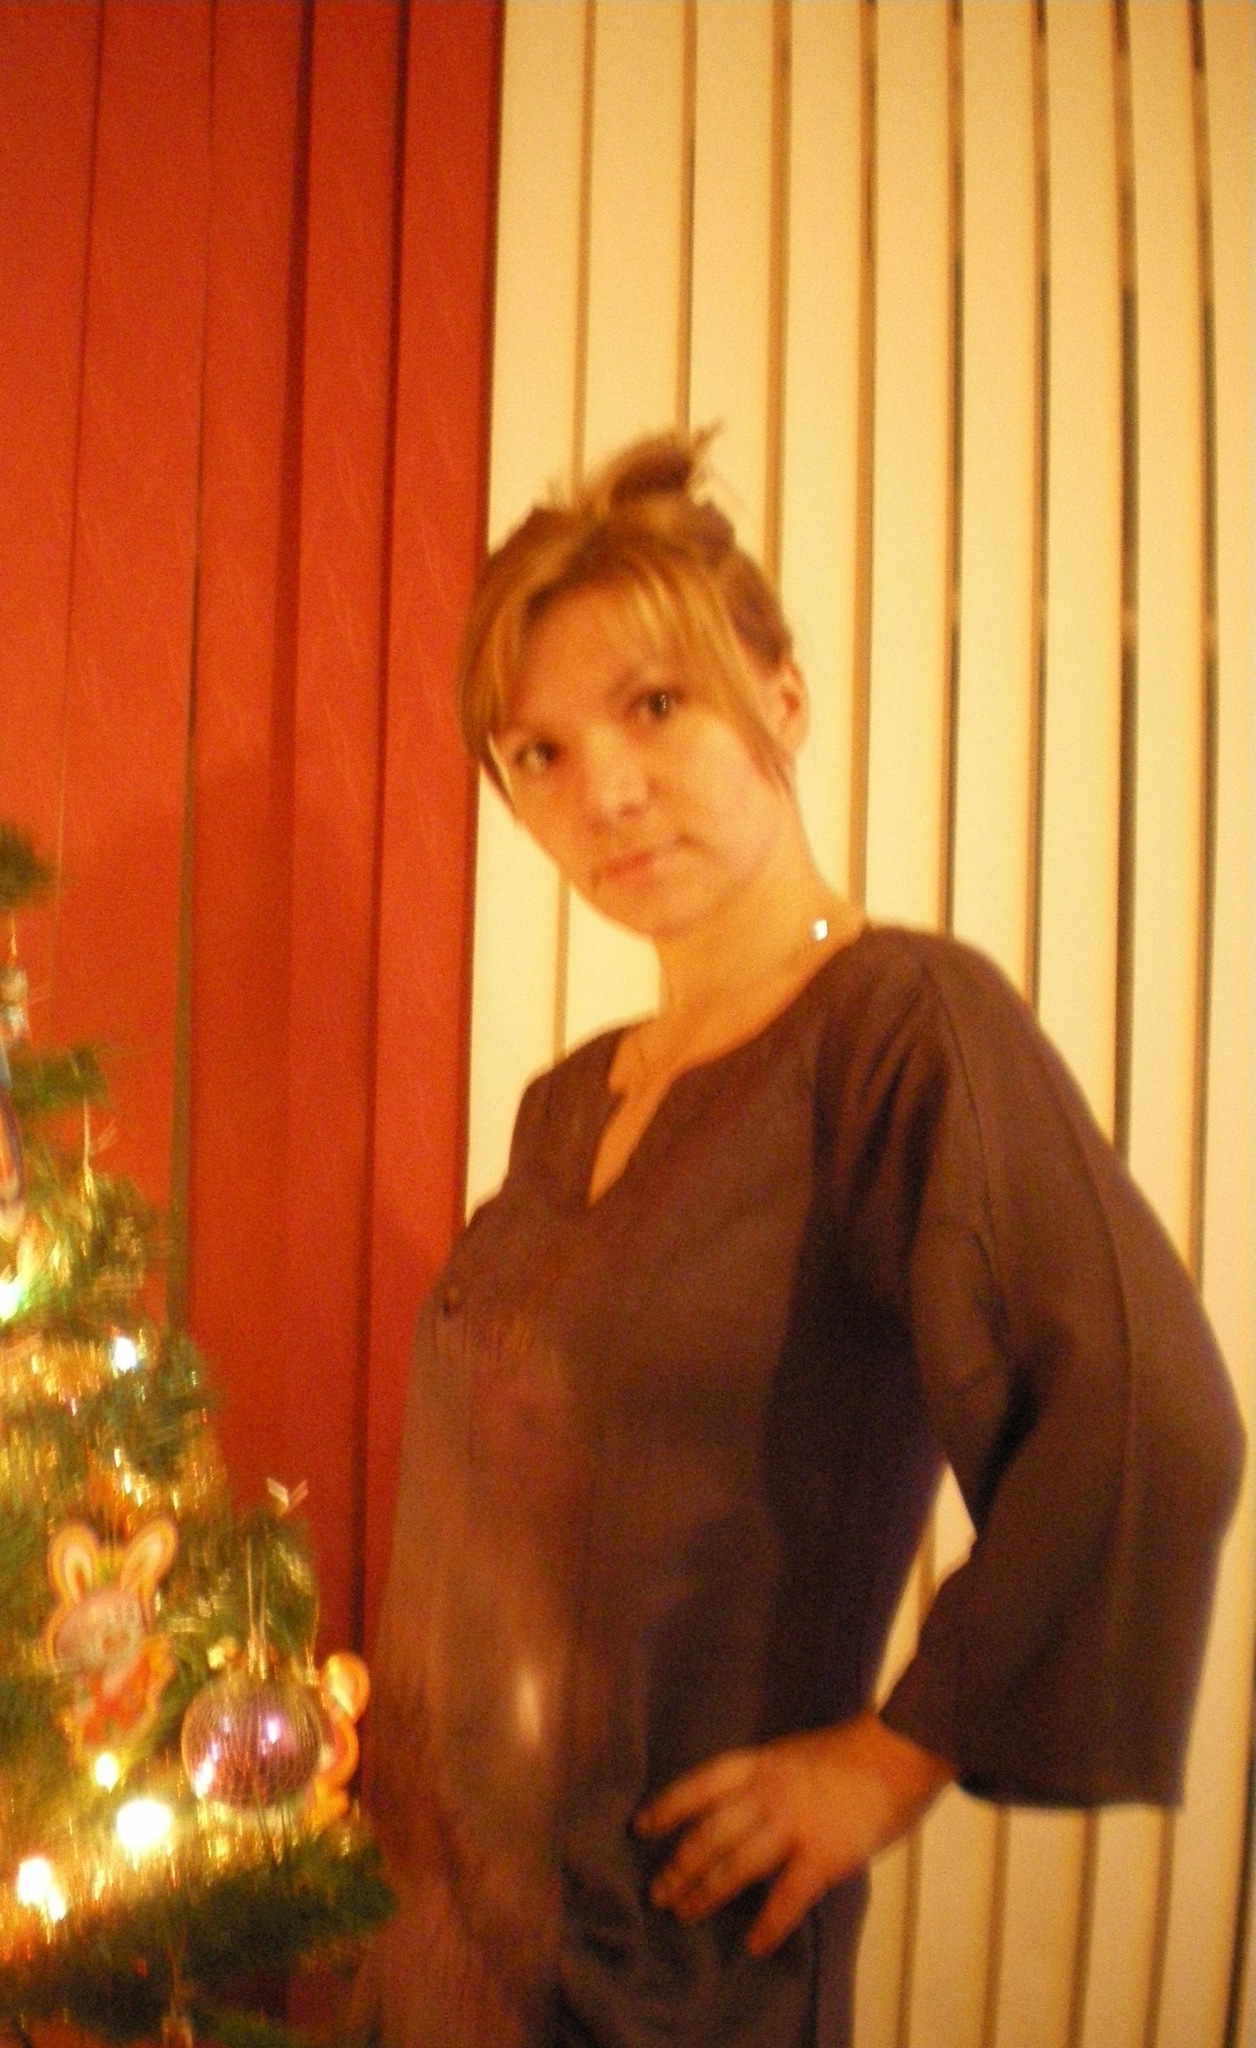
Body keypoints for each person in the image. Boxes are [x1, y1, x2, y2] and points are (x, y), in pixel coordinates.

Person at [359, 431, 1244, 2048]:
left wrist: (895, 1756)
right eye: (537, 752)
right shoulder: (570, 1104)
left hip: (657, 1967)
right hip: (429, 1928)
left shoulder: (900, 1030)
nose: (603, 792)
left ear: (780, 695)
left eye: (653, 706)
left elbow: (1143, 1415)